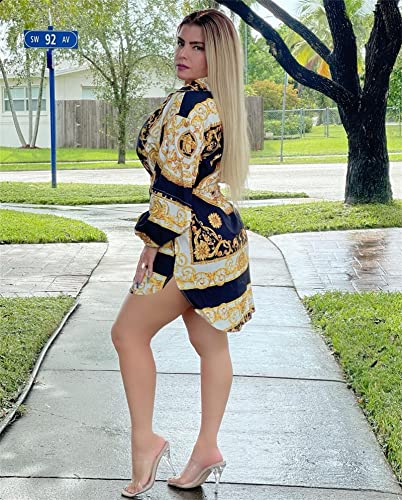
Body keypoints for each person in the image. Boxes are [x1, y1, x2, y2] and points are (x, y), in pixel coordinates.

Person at [111, 8, 255, 498]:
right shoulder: (212, 101)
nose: (183, 53)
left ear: (218, 56)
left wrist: (152, 244)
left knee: (128, 333)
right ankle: (206, 448)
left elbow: (173, 186)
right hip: (218, 238)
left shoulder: (192, 106)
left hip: (185, 243)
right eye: (180, 42)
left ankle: (145, 443)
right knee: (211, 346)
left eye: (197, 47)